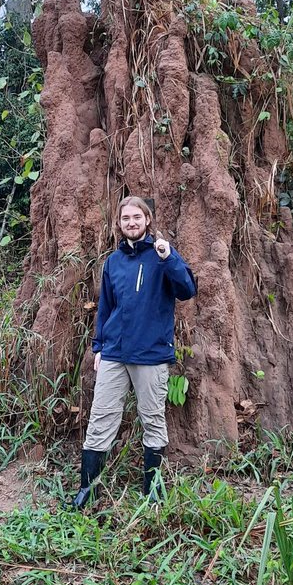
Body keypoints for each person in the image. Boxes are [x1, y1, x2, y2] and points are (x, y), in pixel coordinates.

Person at [70, 196, 197, 508]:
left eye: (137, 217)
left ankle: (152, 491)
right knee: (100, 419)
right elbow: (105, 309)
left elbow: (187, 290)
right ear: (119, 223)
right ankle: (88, 491)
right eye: (125, 218)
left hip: (151, 355)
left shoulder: (162, 255)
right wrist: (99, 347)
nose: (131, 222)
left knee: (153, 420)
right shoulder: (113, 262)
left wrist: (169, 258)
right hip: (114, 353)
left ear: (147, 220)